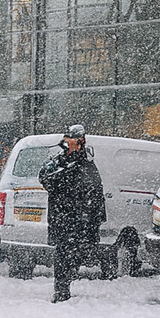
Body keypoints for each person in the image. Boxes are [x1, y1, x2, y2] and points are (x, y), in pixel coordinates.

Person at [38, 123, 107, 302]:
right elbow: (45, 178)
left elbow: (94, 192)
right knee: (63, 253)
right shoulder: (59, 161)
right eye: (66, 138)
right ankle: (61, 289)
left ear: (80, 141)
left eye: (71, 139)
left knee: (73, 253)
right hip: (62, 217)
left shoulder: (85, 163)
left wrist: (92, 219)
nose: (67, 142)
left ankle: (65, 285)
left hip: (78, 219)